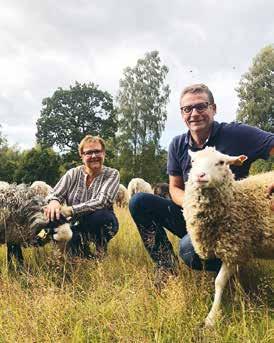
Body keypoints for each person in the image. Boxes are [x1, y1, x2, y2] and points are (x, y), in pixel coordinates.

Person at [129, 83, 274, 283]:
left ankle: (233, 266)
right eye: (187, 109)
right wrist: (193, 205)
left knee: (189, 251)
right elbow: (175, 187)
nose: (194, 113)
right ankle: (166, 267)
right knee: (139, 202)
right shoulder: (178, 144)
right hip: (195, 216)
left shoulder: (237, 133)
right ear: (182, 114)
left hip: (232, 221)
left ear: (213, 108)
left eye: (201, 106)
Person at [45, 135, 120, 258]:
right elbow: (55, 194)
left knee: (102, 216)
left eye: (97, 151)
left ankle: (100, 248)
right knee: (52, 214)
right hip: (74, 223)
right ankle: (74, 249)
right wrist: (54, 202)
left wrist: (71, 210)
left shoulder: (112, 174)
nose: (94, 156)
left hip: (100, 221)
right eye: (89, 152)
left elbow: (102, 201)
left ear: (104, 153)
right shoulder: (73, 173)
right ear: (82, 156)